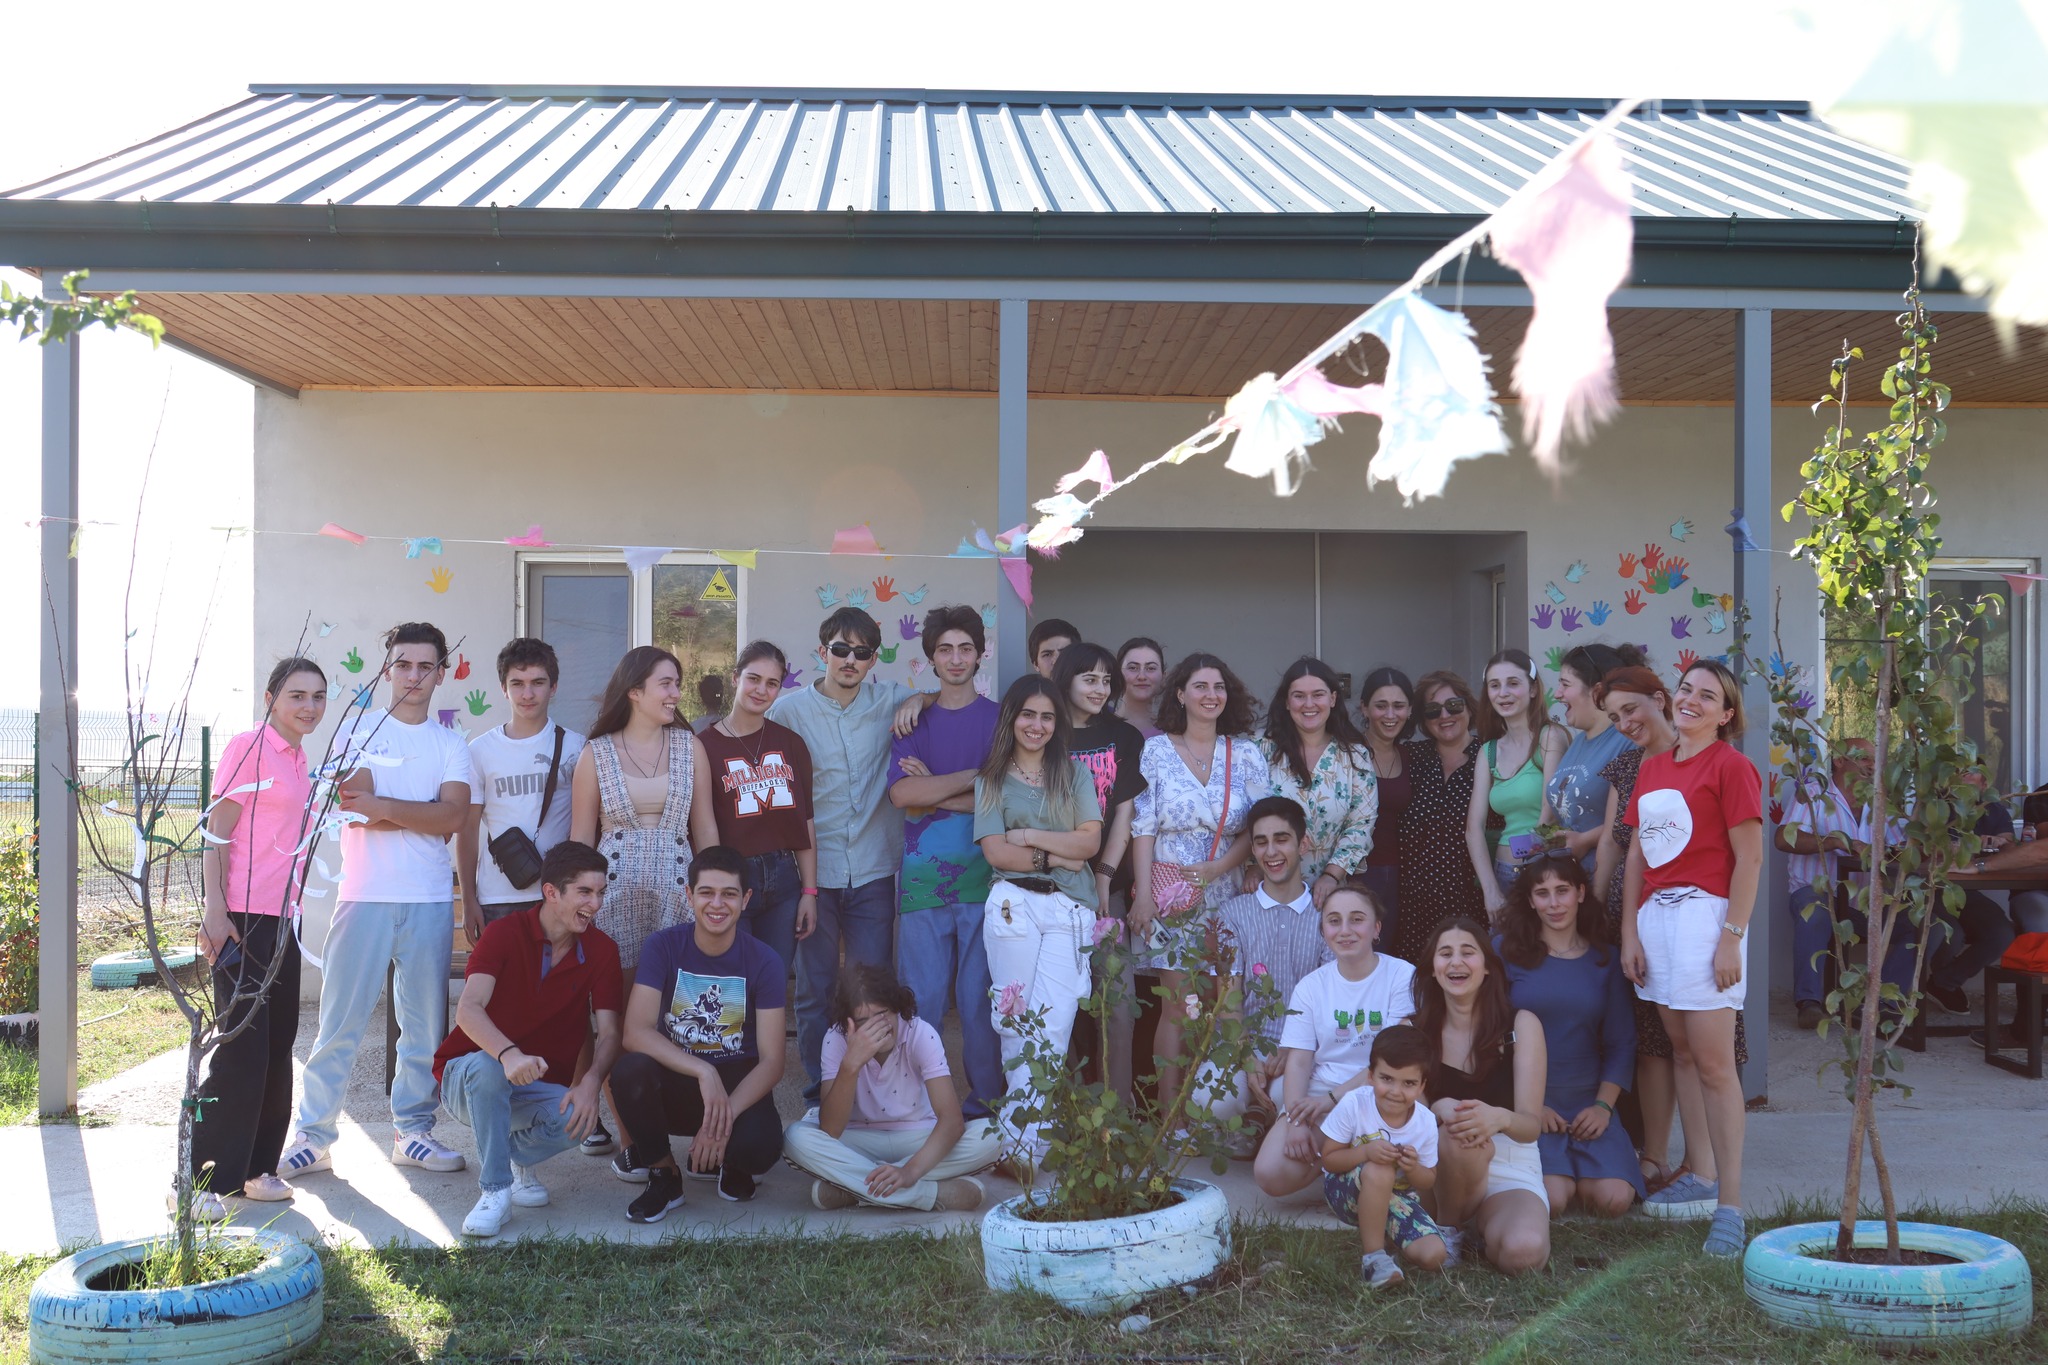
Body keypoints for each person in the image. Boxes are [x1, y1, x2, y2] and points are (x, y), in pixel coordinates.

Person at [282, 623, 475, 1179]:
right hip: (364, 896)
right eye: (403, 664)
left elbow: (453, 818)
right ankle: (314, 1135)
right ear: (388, 669)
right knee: (338, 1023)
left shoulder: (451, 744)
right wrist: (419, 813)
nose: (413, 676)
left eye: (425, 666)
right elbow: (357, 805)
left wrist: (387, 807)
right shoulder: (357, 730)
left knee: (423, 1029)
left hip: (430, 899)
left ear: (441, 673)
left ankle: (412, 1132)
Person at [1619, 660, 1762, 1257]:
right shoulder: (1653, 767)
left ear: (1726, 714)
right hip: (1658, 920)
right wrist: (1630, 931)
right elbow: (1637, 855)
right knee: (1679, 1051)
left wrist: (1731, 936)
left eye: (1707, 696)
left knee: (1715, 1066)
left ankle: (1730, 1206)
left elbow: (1750, 859)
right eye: (1685, 690)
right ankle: (1698, 1173)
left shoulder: (1732, 767)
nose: (1691, 701)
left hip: (1707, 920)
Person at [768, 607, 929, 1106]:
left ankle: (870, 1093)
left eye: (862, 652)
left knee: (871, 988)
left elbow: (943, 697)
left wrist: (919, 698)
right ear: (823, 652)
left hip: (874, 869)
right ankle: (821, 1092)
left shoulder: (891, 699)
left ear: (873, 659)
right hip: (813, 873)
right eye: (840, 649)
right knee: (815, 988)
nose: (850, 660)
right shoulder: (788, 712)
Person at [569, 645, 719, 1167]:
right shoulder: (595, 754)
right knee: (619, 1021)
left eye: (678, 683)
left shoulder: (689, 747)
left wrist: (715, 895)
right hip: (615, 903)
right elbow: (581, 844)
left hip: (677, 898)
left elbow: (705, 829)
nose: (676, 693)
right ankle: (635, 1145)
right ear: (635, 692)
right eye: (666, 684)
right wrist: (578, 911)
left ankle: (694, 1134)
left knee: (683, 1018)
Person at [191, 658, 326, 1215]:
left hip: (284, 918)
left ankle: (255, 1169)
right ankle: (197, 1180)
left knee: (276, 1046)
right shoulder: (248, 748)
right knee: (241, 1048)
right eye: (297, 695)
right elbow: (216, 834)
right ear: (270, 699)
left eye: (318, 697)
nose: (309, 706)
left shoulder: (298, 758)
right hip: (243, 919)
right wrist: (215, 910)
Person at [434, 841, 623, 1237]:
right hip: (468, 1077)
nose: (596, 904)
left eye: (601, 892)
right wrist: (508, 1054)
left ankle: (511, 1159)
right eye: (585, 892)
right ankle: (496, 1191)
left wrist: (590, 1083)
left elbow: (609, 1033)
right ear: (551, 892)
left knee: (579, 1120)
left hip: (535, 1085)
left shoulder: (603, 950)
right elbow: (468, 1009)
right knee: (488, 1068)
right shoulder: (504, 933)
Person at [612, 846, 787, 1219]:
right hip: (680, 1078)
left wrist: (722, 1121)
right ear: (689, 895)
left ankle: (728, 1162)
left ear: (746, 899)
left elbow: (773, 1061)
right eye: (706, 892)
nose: (717, 904)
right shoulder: (663, 945)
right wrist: (703, 1070)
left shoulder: (765, 960)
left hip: (736, 1084)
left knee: (762, 1147)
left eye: (729, 894)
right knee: (628, 1072)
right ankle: (664, 1175)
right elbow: (635, 1032)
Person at [1130, 652, 1269, 1107]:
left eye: (1219, 687)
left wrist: (1220, 868)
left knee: (1221, 1004)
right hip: (1170, 895)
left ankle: (1215, 1115)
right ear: (1180, 694)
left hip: (1228, 893)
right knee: (1176, 1006)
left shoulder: (1245, 753)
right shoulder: (1155, 751)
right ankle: (1172, 1118)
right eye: (1201, 687)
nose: (1211, 695)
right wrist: (1144, 897)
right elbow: (1142, 826)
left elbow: (1259, 827)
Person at [975, 675, 1104, 1162]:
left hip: (1070, 907)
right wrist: (1056, 855)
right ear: (1011, 718)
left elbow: (1088, 843)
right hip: (1014, 903)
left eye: (1047, 716)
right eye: (1028, 714)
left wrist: (1027, 835)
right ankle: (1024, 1144)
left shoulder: (1074, 774)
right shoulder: (990, 779)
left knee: (1057, 1020)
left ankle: (1019, 1144)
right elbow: (996, 852)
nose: (1037, 725)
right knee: (1014, 1018)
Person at [889, 605, 1004, 1117]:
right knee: (922, 1000)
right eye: (945, 650)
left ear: (980, 655)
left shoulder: (1002, 720)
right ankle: (917, 1105)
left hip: (990, 876)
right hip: (923, 881)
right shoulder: (912, 720)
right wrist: (975, 778)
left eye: (965, 648)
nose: (956, 659)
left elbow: (1007, 797)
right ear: (931, 658)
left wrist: (934, 789)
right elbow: (902, 795)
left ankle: (985, 1106)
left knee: (981, 1001)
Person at [783, 962, 999, 1211]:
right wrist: (850, 1064)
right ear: (848, 1022)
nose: (876, 1027)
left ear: (897, 1008)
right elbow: (831, 1129)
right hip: (856, 1139)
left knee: (994, 1136)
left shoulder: (920, 1033)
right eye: (863, 1021)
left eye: (882, 1014)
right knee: (795, 1138)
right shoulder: (836, 1038)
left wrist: (909, 1171)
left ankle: (852, 1189)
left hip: (918, 1136)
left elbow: (951, 1121)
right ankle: (931, 1193)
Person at [1497, 856, 1641, 1218]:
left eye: (1562, 891)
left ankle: (1595, 1163)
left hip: (1588, 1098)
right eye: (1542, 894)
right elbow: (1490, 1035)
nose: (1554, 903)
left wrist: (1603, 1107)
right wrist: (1528, 1107)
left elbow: (1622, 1041)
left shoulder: (1606, 959)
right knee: (1553, 1197)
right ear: (1530, 901)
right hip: (1528, 1099)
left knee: (1613, 1199)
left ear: (1580, 893)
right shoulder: (1504, 952)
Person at [1252, 883, 1414, 1199]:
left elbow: (1395, 1061)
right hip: (1323, 1092)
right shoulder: (1311, 986)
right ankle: (1343, 1161)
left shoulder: (1401, 975)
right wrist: (1296, 1121)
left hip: (1383, 1091)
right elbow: (1299, 1060)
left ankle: (1348, 1163)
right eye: (1334, 920)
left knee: (1403, 1169)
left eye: (1357, 919)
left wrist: (1332, 1099)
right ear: (1323, 930)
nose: (1345, 930)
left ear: (1376, 928)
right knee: (1270, 1173)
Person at [1414, 919, 1552, 1275]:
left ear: (1488, 967)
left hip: (1509, 1162)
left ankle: (1484, 1225)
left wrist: (1499, 1118)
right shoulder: (1412, 1032)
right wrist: (1435, 1108)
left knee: (1524, 1252)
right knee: (1458, 1132)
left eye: (1468, 952)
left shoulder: (1521, 1025)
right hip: (1437, 1168)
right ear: (1433, 968)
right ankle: (1448, 1228)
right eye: (1445, 953)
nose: (1456, 962)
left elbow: (1530, 1127)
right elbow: (1398, 1117)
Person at [1199, 796, 1331, 1129]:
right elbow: (1228, 997)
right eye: (1261, 842)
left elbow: (1330, 999)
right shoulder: (1233, 913)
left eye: (1281, 839)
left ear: (1303, 844)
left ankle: (1264, 1127)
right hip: (1244, 1044)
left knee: (1295, 1101)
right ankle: (1250, 1125)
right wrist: (1246, 1056)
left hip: (1305, 1048)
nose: (1271, 852)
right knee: (1209, 1099)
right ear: (1253, 851)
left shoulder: (1327, 915)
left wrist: (1295, 1048)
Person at [1055, 642, 1149, 1101]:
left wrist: (1103, 878)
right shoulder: (1044, 729)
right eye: (1089, 679)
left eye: (1106, 680)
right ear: (1066, 679)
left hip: (1105, 892)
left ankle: (1117, 1111)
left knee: (1118, 1006)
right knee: (1057, 1006)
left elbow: (1125, 815)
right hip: (1050, 887)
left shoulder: (1124, 737)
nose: (1100, 689)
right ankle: (1068, 1108)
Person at [698, 640, 817, 984]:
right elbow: (703, 825)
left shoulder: (791, 743)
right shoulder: (704, 746)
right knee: (733, 983)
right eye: (753, 678)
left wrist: (810, 893)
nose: (761, 690)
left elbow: (805, 822)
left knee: (772, 983)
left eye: (772, 683)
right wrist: (714, 888)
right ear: (735, 678)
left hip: (784, 880)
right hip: (732, 876)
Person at [459, 638, 585, 946]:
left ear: (553, 687)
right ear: (503, 689)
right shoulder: (479, 750)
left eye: (537, 683)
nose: (527, 694)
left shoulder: (576, 747)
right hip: (496, 898)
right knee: (500, 979)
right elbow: (467, 830)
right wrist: (468, 900)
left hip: (558, 895)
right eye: (517, 684)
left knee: (560, 978)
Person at [1318, 1025, 1446, 1290]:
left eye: (1408, 1083)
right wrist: (1365, 1152)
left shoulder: (1425, 1122)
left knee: (1434, 1255)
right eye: (1386, 1079)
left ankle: (1390, 1238)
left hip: (1396, 1198)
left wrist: (1412, 1168)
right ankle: (1374, 1259)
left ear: (1422, 1086)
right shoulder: (1355, 1103)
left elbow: (1428, 1180)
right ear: (1370, 1076)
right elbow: (1329, 1159)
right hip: (1345, 1192)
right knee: (1380, 1169)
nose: (1396, 1092)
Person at [1260, 657, 1378, 908]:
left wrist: (1331, 875)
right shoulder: (1261, 751)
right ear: (1287, 702)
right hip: (1268, 885)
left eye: (1318, 695)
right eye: (1299, 696)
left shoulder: (1355, 756)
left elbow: (1361, 824)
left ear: (1333, 699)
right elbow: (1246, 815)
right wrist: (1251, 866)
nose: (1309, 704)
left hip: (1330, 892)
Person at [1387, 671, 1485, 965]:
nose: (1444, 716)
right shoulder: (1409, 757)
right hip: (1413, 904)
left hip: (1472, 901)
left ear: (1469, 707)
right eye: (1432, 710)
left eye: (1453, 705)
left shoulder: (1490, 756)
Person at [1467, 649, 1568, 922]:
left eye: (1513, 683)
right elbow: (1473, 828)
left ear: (1533, 689)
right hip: (1503, 874)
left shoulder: (1550, 737)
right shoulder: (1488, 751)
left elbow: (1550, 812)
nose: (1503, 693)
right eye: (1494, 685)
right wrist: (1490, 890)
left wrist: (1529, 865)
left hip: (1547, 874)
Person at [1774, 740, 1864, 1030]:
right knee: (1816, 911)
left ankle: (1885, 1005)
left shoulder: (1882, 802)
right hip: (1815, 891)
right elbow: (1782, 839)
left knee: (1911, 925)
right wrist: (1834, 841)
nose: (1873, 765)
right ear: (1839, 761)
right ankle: (1809, 1003)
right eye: (1865, 758)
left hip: (1864, 902)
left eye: (1877, 759)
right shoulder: (1813, 792)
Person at [1547, 645, 1638, 871]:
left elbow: (1636, 818)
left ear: (1596, 691)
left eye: (1565, 684)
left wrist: (1585, 840)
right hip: (1573, 880)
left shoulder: (1628, 741)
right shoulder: (1577, 742)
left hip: (1610, 878)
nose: (1557, 693)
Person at [1357, 667, 1416, 943]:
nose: (1390, 715)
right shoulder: (1347, 752)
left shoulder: (1409, 755)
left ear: (1410, 710)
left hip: (1401, 877)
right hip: (1355, 874)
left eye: (1398, 706)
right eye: (1381, 706)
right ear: (1365, 708)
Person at [1115, 637, 1166, 738]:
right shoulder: (1099, 728)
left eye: (1151, 668)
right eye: (1133, 668)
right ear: (1117, 674)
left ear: (1163, 677)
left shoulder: (1173, 732)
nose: (1142, 676)